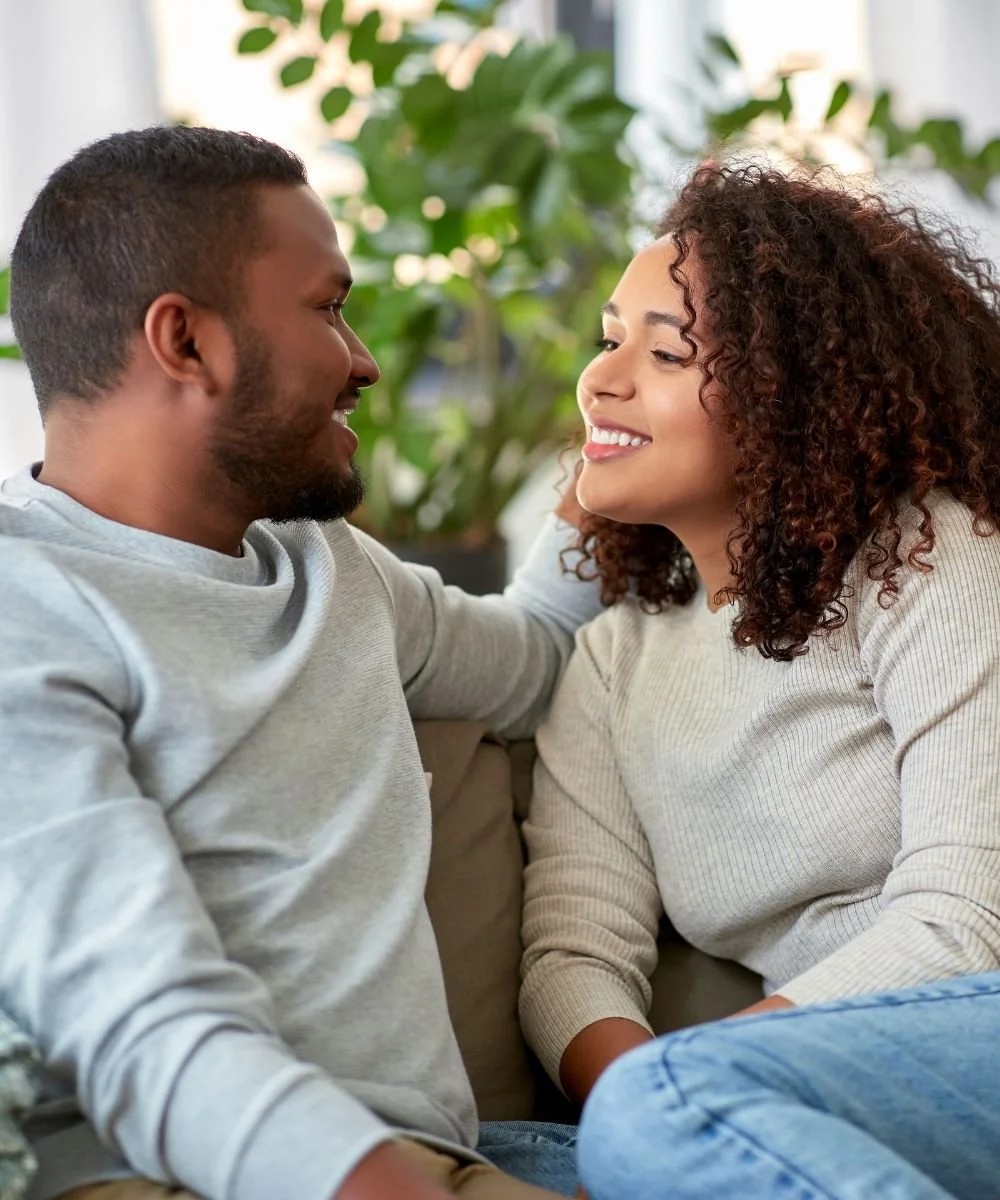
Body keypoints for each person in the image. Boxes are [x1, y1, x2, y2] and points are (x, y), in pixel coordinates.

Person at [0, 126, 595, 1200]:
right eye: (327, 307)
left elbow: (544, 655)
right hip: (157, 1175)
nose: (364, 361)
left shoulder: (331, 570)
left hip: (438, 1163)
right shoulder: (23, 605)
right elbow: (142, 1029)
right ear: (185, 341)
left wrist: (615, 446)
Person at [518, 162, 1000, 1113]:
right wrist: (643, 1113)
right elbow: (573, 954)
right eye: (608, 340)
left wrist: (693, 1094)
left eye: (667, 356)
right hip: (791, 1094)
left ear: (793, 397)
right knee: (491, 1154)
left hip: (959, 1044)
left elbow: (970, 917)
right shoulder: (615, 661)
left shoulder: (929, 557)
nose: (600, 381)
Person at [577, 969, 1000, 1200]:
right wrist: (616, 1141)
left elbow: (958, 919)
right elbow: (579, 958)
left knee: (655, 1110)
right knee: (528, 1155)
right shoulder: (612, 802)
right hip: (803, 1082)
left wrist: (648, 1113)